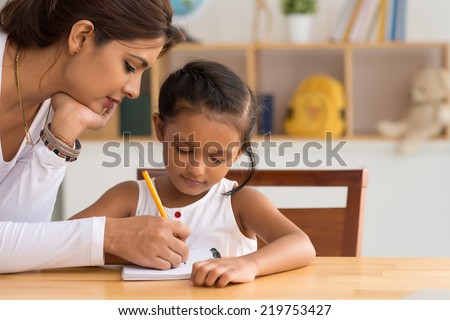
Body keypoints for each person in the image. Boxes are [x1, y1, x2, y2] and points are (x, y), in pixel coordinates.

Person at [71, 60, 316, 287]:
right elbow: (63, 241)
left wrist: (249, 264)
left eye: (216, 158)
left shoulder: (240, 202)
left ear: (237, 154)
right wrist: (119, 245)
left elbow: (301, 245)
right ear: (160, 128)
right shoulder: (130, 197)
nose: (196, 168)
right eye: (184, 150)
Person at [0, 0, 192, 274]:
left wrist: (61, 136)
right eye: (130, 66)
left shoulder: (52, 103)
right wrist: (109, 235)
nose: (134, 91)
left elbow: (18, 245)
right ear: (81, 37)